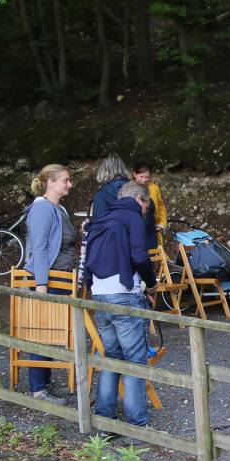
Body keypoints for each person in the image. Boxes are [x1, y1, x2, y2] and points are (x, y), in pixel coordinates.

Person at [81, 181, 157, 432]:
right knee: (134, 361)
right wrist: (152, 282)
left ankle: (105, 423)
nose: (145, 213)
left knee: (111, 358)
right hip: (124, 294)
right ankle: (136, 425)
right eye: (147, 207)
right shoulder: (132, 217)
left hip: (100, 294)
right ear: (139, 199)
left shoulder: (102, 218)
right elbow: (139, 256)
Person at [23, 164, 78, 401]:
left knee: (53, 331)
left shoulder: (59, 209)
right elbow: (40, 247)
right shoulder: (43, 209)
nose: (69, 184)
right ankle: (38, 389)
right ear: (51, 182)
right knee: (42, 331)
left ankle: (45, 382)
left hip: (60, 275)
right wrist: (41, 283)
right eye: (65, 180)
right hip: (48, 277)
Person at [131, 161, 168, 238]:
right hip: (135, 232)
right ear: (134, 174)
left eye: (147, 177)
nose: (144, 180)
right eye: (141, 177)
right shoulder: (128, 189)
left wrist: (162, 223)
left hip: (154, 231)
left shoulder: (154, 188)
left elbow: (161, 206)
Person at [90, 154, 130, 222]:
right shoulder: (135, 188)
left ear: (104, 169)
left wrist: (87, 226)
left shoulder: (102, 194)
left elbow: (99, 223)